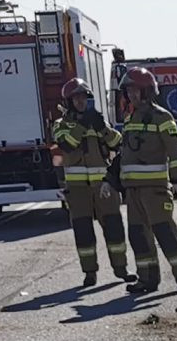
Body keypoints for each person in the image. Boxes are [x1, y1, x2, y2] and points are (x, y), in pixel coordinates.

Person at [115, 69, 177, 297]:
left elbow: (175, 150)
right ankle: (147, 279)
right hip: (133, 191)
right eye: (129, 91)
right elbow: (126, 153)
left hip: (155, 189)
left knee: (165, 232)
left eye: (136, 90)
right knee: (138, 236)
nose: (132, 95)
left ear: (147, 91)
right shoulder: (130, 119)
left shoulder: (162, 117)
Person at [49, 79, 130, 287]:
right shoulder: (60, 125)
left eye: (83, 97)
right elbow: (67, 144)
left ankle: (121, 268)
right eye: (76, 98)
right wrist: (82, 124)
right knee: (83, 232)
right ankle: (90, 272)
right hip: (77, 190)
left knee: (114, 228)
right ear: (68, 102)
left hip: (104, 187)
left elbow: (117, 143)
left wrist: (102, 127)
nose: (80, 101)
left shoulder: (97, 121)